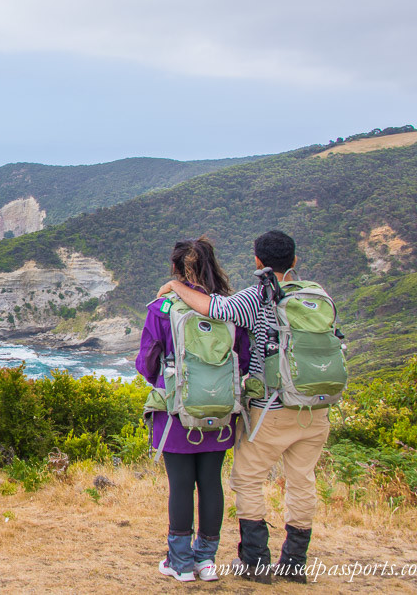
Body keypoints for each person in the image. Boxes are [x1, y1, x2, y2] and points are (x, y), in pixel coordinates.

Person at [158, 230, 329, 584]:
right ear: (295, 261)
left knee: (248, 481)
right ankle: (295, 562)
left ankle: (255, 560)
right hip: (316, 409)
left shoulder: (257, 297)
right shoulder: (317, 295)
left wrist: (175, 287)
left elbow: (213, 307)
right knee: (302, 482)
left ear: (256, 261)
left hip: (271, 408)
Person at [137, 236, 250, 583]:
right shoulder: (229, 310)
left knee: (181, 486)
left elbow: (146, 364)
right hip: (220, 412)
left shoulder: (162, 308)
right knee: (211, 484)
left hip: (176, 413)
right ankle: (206, 561)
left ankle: (181, 562)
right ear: (213, 265)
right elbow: (242, 363)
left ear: (174, 268)